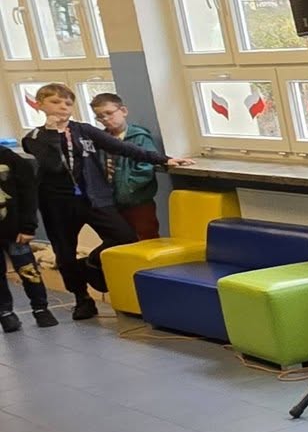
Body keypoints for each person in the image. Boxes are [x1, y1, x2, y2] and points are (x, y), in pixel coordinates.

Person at [22, 83, 192, 321]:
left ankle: (91, 263)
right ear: (40, 105)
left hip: (94, 199)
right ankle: (82, 298)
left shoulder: (84, 130)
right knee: (65, 253)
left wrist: (163, 159)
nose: (62, 107)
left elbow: (121, 147)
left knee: (124, 236)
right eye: (55, 102)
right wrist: (53, 133)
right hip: (58, 204)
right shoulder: (34, 137)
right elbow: (53, 165)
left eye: (68, 103)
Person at [0, 135, 56, 332]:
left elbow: (29, 195)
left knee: (28, 270)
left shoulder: (12, 160)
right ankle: (5, 313)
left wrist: (28, 226)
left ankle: (41, 309)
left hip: (15, 230)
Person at [90, 93, 164, 240]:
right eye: (100, 116)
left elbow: (146, 166)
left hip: (137, 201)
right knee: (119, 239)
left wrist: (128, 187)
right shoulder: (100, 140)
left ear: (123, 111)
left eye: (109, 113)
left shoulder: (139, 137)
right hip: (112, 201)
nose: (105, 119)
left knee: (145, 236)